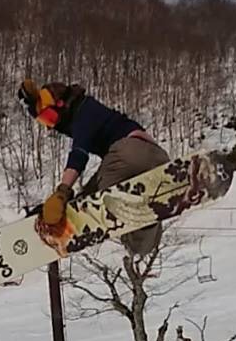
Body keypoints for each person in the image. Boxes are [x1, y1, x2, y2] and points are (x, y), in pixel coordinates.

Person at [18, 78, 169, 256]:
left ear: (60, 104)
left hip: (129, 152)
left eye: (49, 118)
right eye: (45, 122)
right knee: (88, 198)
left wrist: (62, 191)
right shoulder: (89, 110)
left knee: (105, 199)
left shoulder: (83, 111)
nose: (51, 127)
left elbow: (79, 154)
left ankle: (140, 226)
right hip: (157, 157)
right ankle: (143, 241)